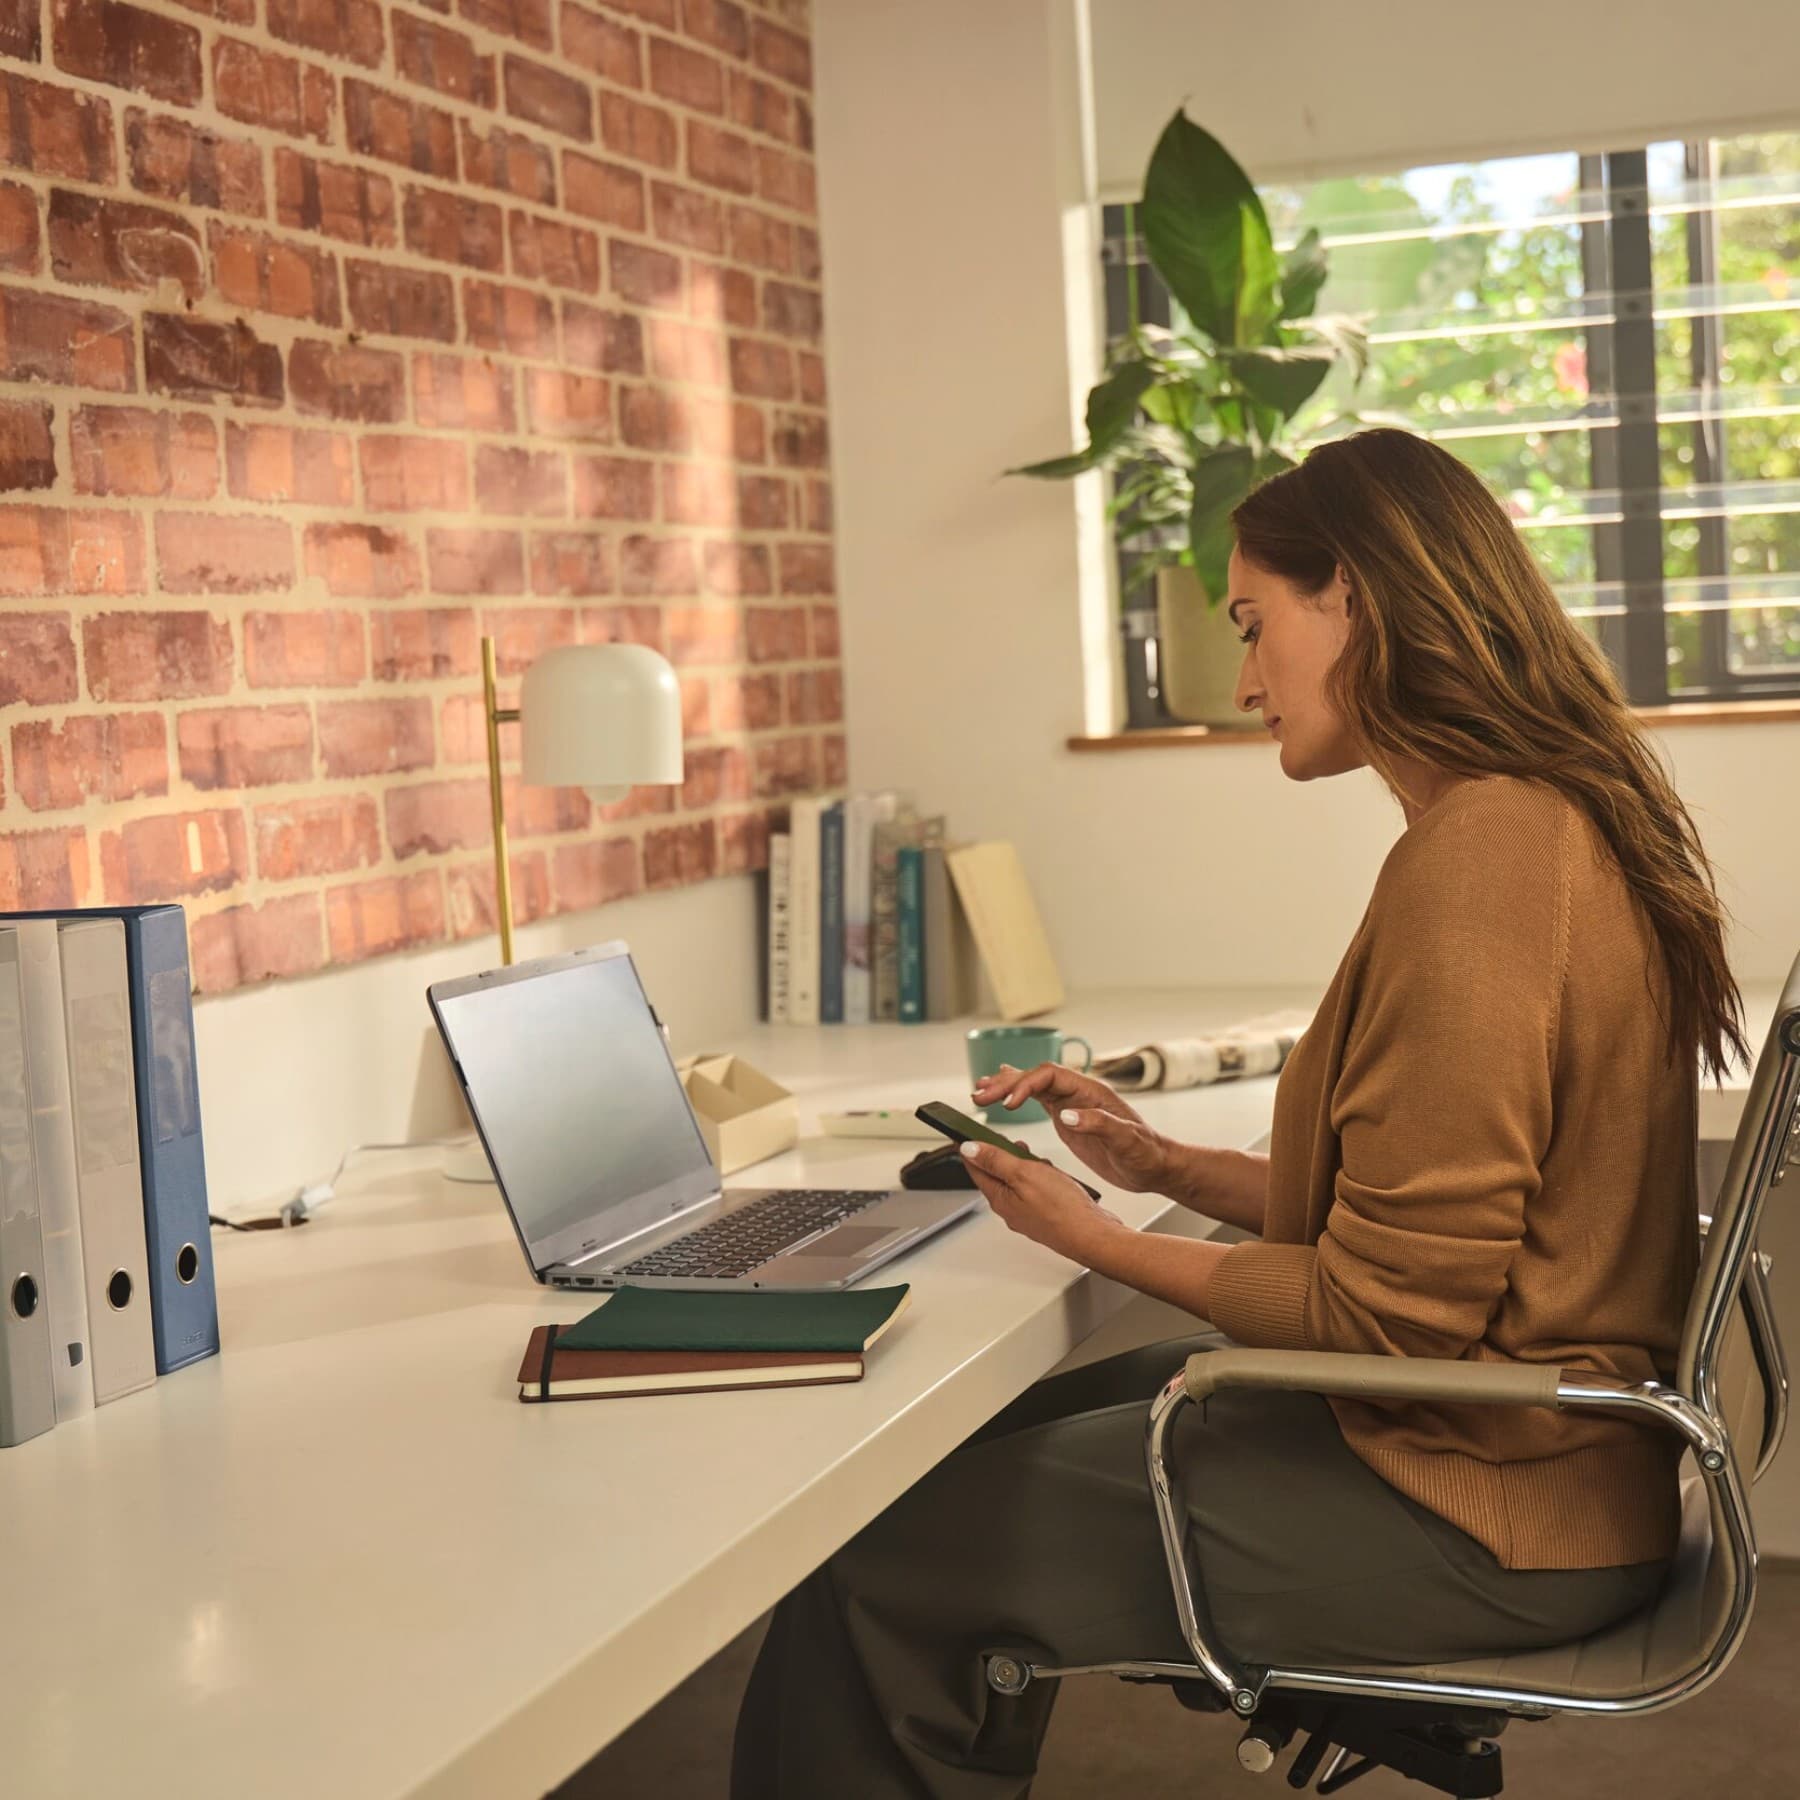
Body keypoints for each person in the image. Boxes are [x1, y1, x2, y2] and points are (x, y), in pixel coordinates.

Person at [730, 429, 1749, 1799]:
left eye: (1255, 625)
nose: (1244, 677)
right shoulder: (1527, 826)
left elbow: (1391, 1319)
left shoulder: (1486, 860)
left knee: (874, 1563)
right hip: (1509, 1456)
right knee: (967, 1460)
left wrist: (1092, 1233)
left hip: (1482, 1503)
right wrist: (1166, 1164)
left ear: (1360, 602)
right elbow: (1437, 1229)